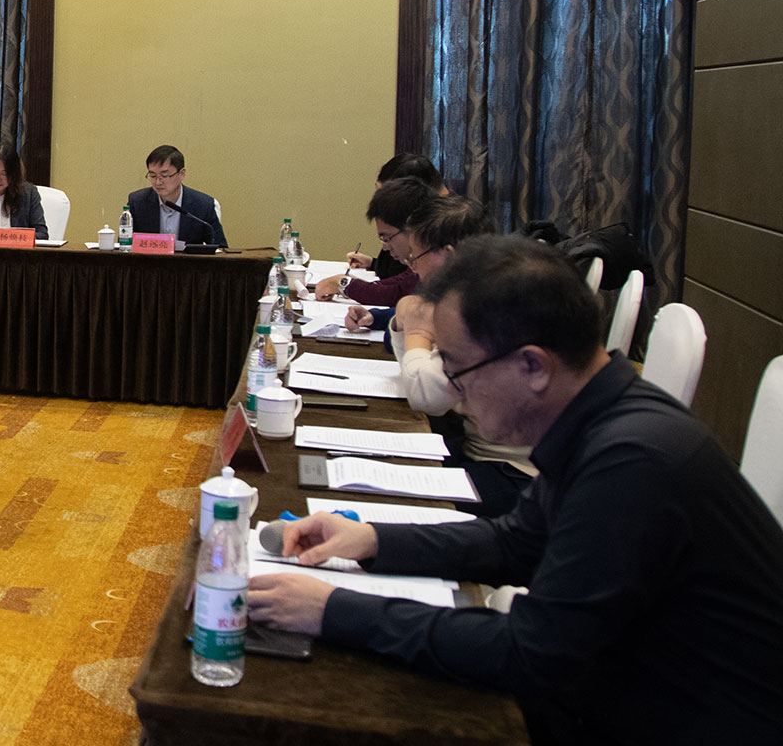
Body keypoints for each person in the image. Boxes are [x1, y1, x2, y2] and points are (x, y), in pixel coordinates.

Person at [246, 235, 783, 743]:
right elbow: (517, 543)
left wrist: (334, 609)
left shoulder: (633, 461)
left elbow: (530, 653)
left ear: (533, 365)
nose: (455, 394)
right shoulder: (605, 417)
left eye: (458, 370)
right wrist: (371, 539)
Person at [349, 196, 533, 516]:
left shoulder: (486, 304)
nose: (412, 266)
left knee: (389, 496)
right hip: (480, 448)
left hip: (513, 474)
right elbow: (418, 376)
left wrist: (416, 332)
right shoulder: (480, 285)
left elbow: (426, 396)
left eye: (416, 257)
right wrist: (403, 323)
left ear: (448, 255)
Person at [319, 153, 444, 293]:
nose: (377, 197)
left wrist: (345, 284)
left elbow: (399, 290)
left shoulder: (431, 247)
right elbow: (399, 279)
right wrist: (373, 264)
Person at [125, 145, 225, 248]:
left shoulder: (204, 206)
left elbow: (220, 249)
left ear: (181, 174)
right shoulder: (137, 202)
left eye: (164, 176)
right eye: (153, 176)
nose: (158, 182)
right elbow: (124, 245)